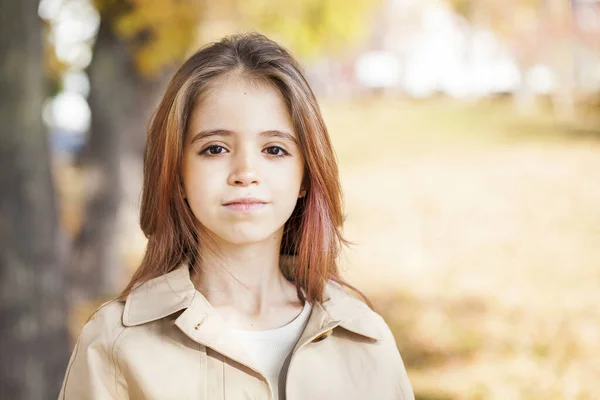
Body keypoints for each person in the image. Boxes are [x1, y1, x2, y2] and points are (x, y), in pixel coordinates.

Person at [58, 32, 414, 400]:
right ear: (178, 174)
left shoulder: (367, 341)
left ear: (305, 176)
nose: (246, 172)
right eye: (215, 148)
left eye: (274, 149)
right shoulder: (115, 343)